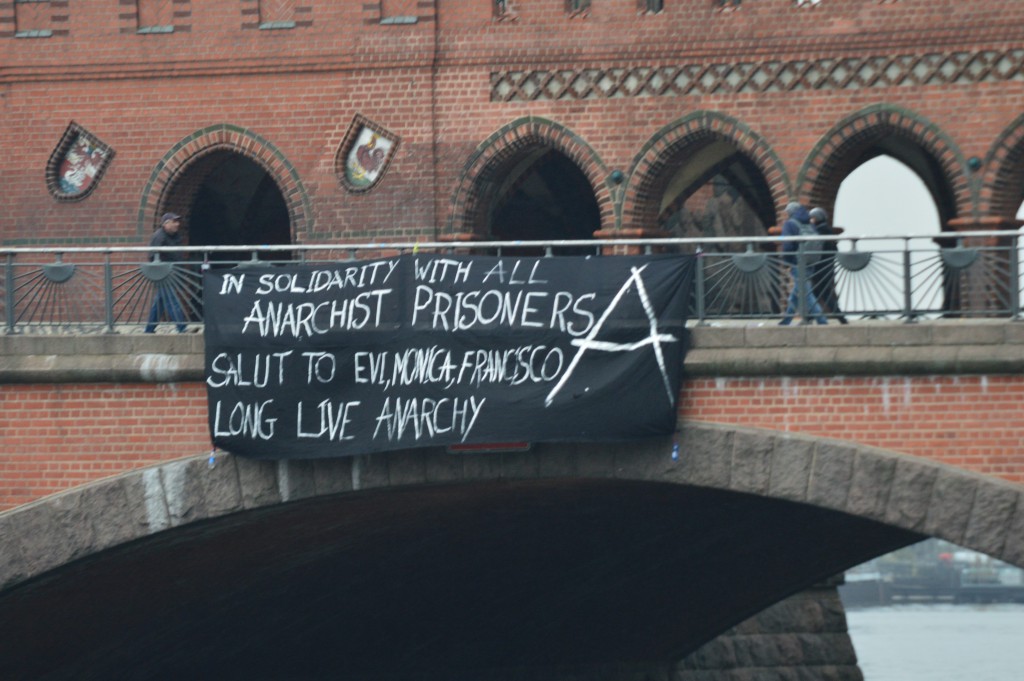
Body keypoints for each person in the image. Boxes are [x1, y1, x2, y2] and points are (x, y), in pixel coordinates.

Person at [779, 201, 828, 325]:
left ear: (789, 212)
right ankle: (787, 319)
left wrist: (787, 262)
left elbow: (788, 245)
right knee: (798, 291)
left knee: (805, 291)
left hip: (798, 261)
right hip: (811, 260)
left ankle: (821, 319)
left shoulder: (790, 224)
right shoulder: (809, 223)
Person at [144, 212, 188, 333]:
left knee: (160, 302)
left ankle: (149, 329)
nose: (177, 224)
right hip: (163, 274)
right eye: (174, 221)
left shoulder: (174, 235)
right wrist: (159, 272)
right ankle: (182, 327)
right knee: (171, 300)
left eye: (177, 221)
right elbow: (153, 256)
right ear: (166, 223)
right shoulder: (159, 236)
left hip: (171, 272)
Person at [808, 207, 848, 324]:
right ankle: (840, 317)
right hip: (827, 268)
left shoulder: (820, 232)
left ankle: (810, 317)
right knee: (819, 294)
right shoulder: (826, 231)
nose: (811, 220)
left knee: (818, 294)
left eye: (812, 218)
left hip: (820, 268)